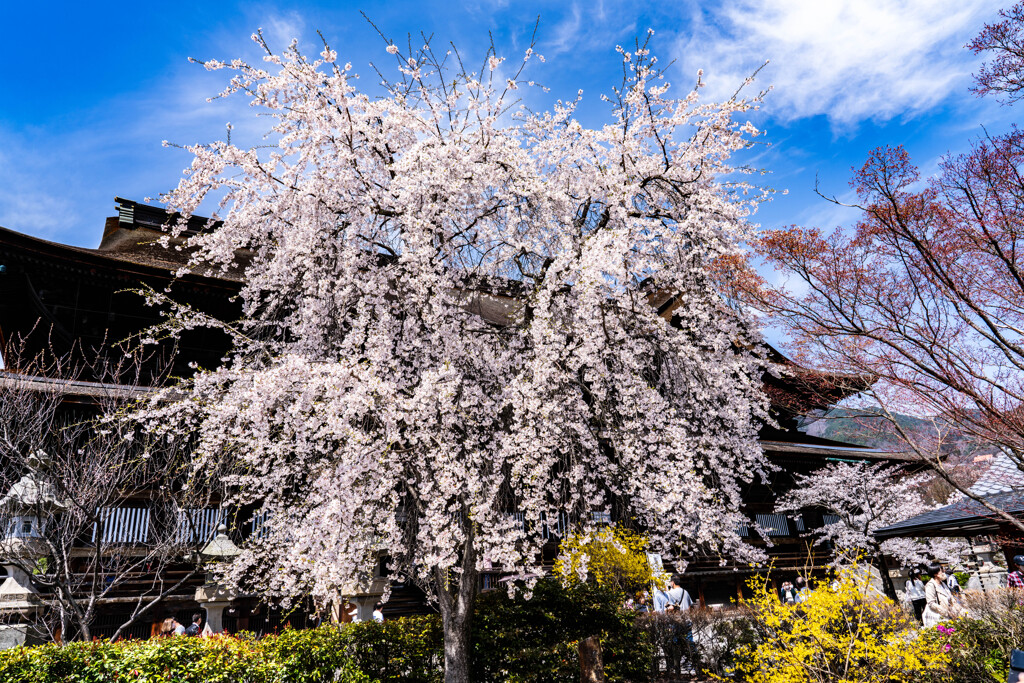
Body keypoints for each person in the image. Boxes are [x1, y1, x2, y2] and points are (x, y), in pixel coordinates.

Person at [923, 563, 965, 628]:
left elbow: (951, 599)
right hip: (940, 618)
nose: (943, 572)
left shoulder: (942, 584)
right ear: (935, 574)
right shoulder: (930, 585)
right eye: (941, 571)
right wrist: (946, 612)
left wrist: (961, 611)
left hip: (950, 615)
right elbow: (931, 603)